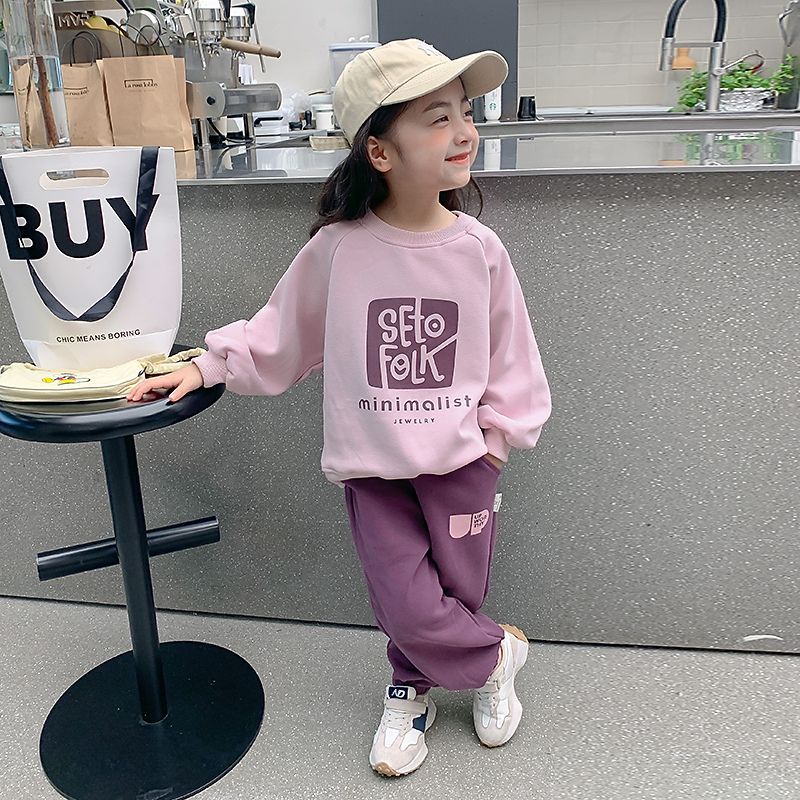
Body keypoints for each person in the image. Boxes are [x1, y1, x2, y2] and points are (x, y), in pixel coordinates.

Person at [127, 38, 552, 777]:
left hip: (463, 463)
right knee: (404, 600)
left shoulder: (480, 249)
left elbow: (513, 354)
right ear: (379, 151)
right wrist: (204, 366)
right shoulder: (339, 250)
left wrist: (497, 443)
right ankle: (492, 659)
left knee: (459, 589)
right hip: (372, 467)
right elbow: (279, 332)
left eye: (465, 113)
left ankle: (414, 683)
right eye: (437, 119)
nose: (464, 132)